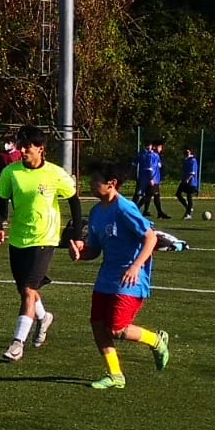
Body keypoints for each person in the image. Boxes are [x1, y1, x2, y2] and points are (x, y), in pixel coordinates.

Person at [73, 160, 172, 390]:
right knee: (98, 324)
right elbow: (95, 250)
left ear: (111, 184)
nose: (91, 183)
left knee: (117, 329)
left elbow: (151, 238)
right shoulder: (97, 212)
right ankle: (115, 375)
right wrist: (80, 253)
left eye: (96, 180)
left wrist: (136, 266)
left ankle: (156, 341)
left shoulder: (125, 208)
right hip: (107, 277)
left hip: (130, 279)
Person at [0, 124, 84, 362]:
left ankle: (17, 343)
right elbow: (1, 201)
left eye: (27, 146)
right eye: (20, 145)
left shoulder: (55, 174)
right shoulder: (10, 173)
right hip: (18, 238)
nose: (22, 150)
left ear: (41, 149)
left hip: (46, 238)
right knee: (25, 289)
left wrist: (76, 235)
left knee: (28, 290)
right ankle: (43, 317)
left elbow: (74, 202)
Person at [135, 138, 172, 221]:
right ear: (155, 147)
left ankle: (160, 213)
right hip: (151, 179)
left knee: (156, 196)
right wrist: (151, 178)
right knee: (148, 196)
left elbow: (158, 167)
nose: (161, 149)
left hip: (156, 179)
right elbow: (150, 168)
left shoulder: (156, 155)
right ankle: (135, 209)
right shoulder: (151, 155)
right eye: (160, 147)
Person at [177, 147, 200, 220]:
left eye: (187, 152)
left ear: (191, 153)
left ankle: (188, 214)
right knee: (178, 194)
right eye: (185, 153)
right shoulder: (186, 160)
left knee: (189, 196)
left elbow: (193, 172)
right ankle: (188, 208)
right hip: (184, 181)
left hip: (191, 182)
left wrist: (188, 179)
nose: (186, 154)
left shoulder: (193, 160)